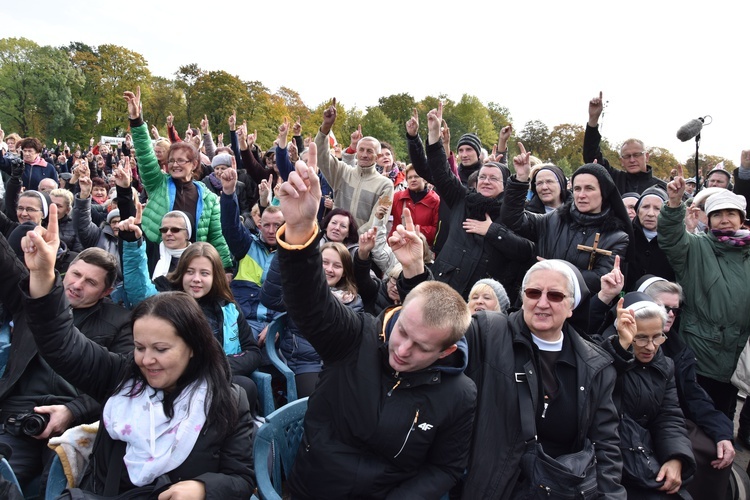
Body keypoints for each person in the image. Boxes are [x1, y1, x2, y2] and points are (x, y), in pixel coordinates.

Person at [275, 142, 477, 498]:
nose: (401, 349)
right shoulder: (359, 337)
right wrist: (301, 232)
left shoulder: (459, 395)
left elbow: (446, 467)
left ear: (446, 353)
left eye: (421, 347)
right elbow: (310, 306)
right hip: (313, 487)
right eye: (402, 331)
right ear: (396, 315)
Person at [20, 214, 254, 496]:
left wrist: (203, 488)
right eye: (140, 347)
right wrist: (44, 277)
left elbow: (241, 478)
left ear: (193, 347)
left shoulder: (228, 401)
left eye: (161, 349)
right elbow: (62, 344)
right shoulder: (120, 377)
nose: (146, 360)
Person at [460, 258, 626, 497]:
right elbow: (440, 333)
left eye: (555, 295)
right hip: (491, 487)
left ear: (571, 307)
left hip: (559, 488)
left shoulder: (594, 365)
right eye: (534, 292)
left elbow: (606, 444)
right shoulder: (487, 331)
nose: (542, 303)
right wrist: (415, 273)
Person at [0, 229, 132, 490]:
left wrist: (73, 411)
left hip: (74, 428)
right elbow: (5, 265)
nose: (78, 284)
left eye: (91, 282)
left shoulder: (122, 322)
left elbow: (122, 382)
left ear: (107, 292)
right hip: (16, 417)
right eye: (76, 274)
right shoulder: (34, 295)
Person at [417, 103, 535, 303]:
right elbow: (441, 171)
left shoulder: (512, 214)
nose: (486, 181)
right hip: (444, 289)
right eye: (482, 177)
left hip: (482, 301)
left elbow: (527, 250)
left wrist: (492, 231)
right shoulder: (461, 198)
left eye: (493, 178)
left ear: (505, 185)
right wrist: (434, 134)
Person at [658, 170, 750, 420]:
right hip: (699, 357)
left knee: (723, 422)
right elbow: (670, 238)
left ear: (741, 219)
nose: (724, 219)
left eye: (731, 213)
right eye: (717, 214)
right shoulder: (696, 248)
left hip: (737, 360)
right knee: (693, 423)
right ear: (707, 220)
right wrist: (675, 204)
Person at [598, 293, 696, 498]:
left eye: (657, 336)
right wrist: (620, 350)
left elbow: (669, 415)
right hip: (610, 458)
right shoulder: (601, 354)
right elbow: (600, 381)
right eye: (641, 337)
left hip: (644, 454)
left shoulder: (665, 365)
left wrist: (676, 457)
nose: (651, 347)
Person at [123, 87, 233, 269]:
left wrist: (226, 268)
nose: (175, 165)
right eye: (171, 160)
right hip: (155, 256)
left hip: (191, 260)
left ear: (194, 164)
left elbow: (216, 237)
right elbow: (144, 153)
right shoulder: (158, 183)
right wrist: (136, 120)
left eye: (181, 160)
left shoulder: (209, 198)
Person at [503, 144, 632, 295]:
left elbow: (601, 279)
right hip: (540, 298)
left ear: (604, 192)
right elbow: (512, 218)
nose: (581, 195)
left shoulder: (616, 237)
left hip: (582, 310)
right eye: (577, 189)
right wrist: (520, 179)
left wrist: (558, 270)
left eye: (589, 188)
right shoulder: (554, 219)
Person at [260, 241, 365, 398]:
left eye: (337, 265)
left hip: (337, 365)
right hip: (305, 364)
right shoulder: (301, 292)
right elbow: (270, 298)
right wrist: (283, 252)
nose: (329, 269)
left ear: (344, 272)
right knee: (322, 398)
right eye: (324, 262)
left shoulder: (353, 301)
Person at [219, 165, 282, 337]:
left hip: (275, 326)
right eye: (266, 225)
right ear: (259, 224)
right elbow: (230, 226)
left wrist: (279, 325)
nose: (271, 230)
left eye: (277, 226)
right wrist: (228, 192)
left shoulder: (292, 257)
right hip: (242, 323)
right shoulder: (247, 245)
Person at [314, 98, 394, 233]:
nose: (364, 155)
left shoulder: (386, 185)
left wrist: (353, 239)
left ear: (378, 156)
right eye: (361, 150)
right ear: (356, 152)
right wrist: (326, 126)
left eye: (369, 151)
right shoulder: (342, 172)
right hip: (335, 242)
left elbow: (379, 219)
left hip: (361, 247)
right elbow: (321, 155)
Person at [584, 91, 666, 195]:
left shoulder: (661, 187)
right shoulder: (614, 179)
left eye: (636, 155)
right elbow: (591, 156)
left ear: (647, 156)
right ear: (621, 161)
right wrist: (593, 119)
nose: (632, 160)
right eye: (627, 156)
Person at [624, 186, 675, 290]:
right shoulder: (625, 236)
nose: (650, 214)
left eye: (657, 209)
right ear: (637, 211)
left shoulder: (673, 241)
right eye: (645, 207)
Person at [388, 164, 440, 248]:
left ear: (425, 179)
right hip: (396, 247)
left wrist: (413, 230)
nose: (413, 180)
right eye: (410, 177)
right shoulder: (397, 197)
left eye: (416, 176)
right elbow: (382, 212)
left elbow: (436, 230)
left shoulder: (435, 200)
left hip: (422, 249)